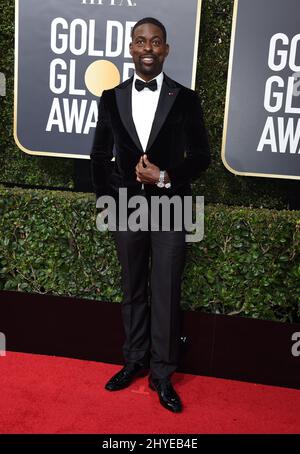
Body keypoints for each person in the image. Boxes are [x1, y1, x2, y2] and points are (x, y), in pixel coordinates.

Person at [90, 17, 210, 413]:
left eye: (155, 42)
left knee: (166, 290)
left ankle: (162, 374)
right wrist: (114, 195)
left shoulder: (186, 99)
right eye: (141, 41)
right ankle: (133, 360)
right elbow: (98, 154)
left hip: (171, 206)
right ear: (131, 48)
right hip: (127, 208)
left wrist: (164, 177)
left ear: (166, 50)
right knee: (132, 287)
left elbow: (202, 157)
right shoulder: (111, 97)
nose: (147, 48)